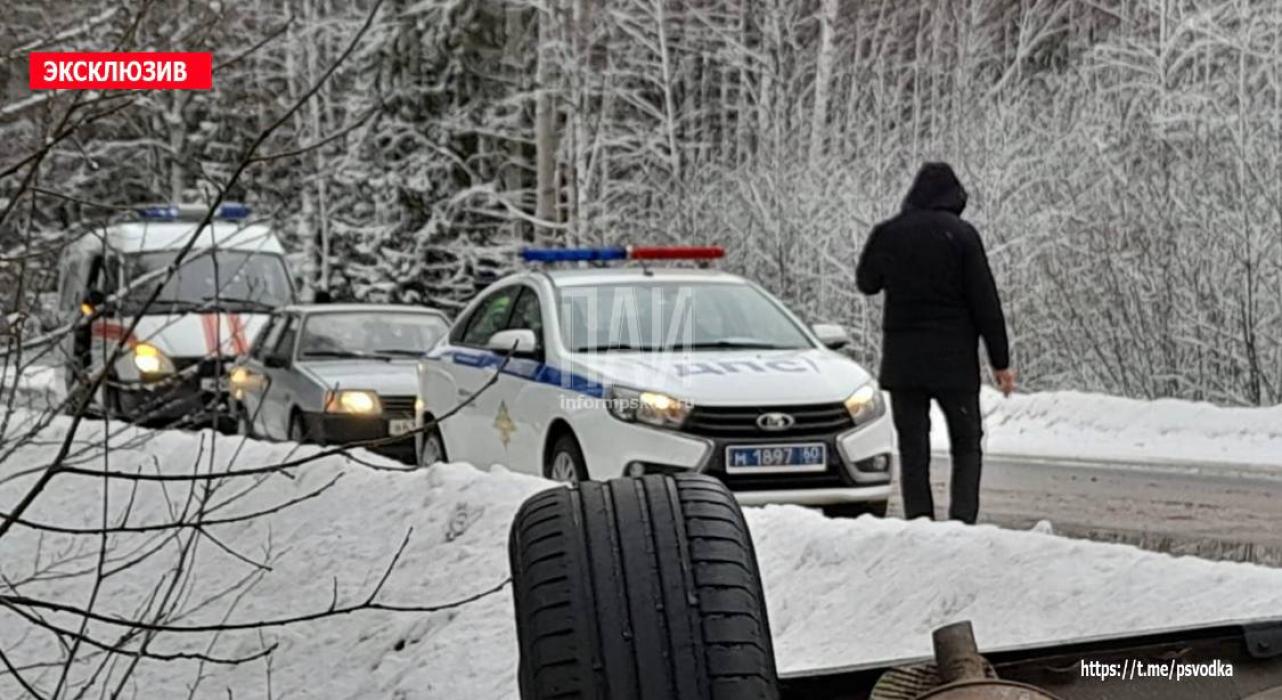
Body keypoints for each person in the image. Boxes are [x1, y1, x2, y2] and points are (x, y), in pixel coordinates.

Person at [856, 162, 1015, 524]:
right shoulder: (962, 236)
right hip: (954, 365)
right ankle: (962, 520)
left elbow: (867, 282)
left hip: (904, 365)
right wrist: (1000, 362)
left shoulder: (889, 234)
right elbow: (985, 302)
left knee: (914, 448)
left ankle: (919, 522)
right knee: (966, 442)